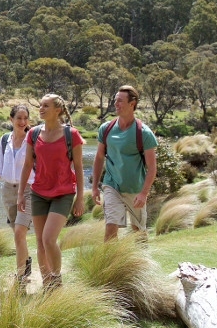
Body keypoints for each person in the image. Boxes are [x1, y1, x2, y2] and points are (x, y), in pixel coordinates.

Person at [18, 93, 84, 290]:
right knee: (40, 242)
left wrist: (80, 197)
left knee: (49, 239)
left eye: (46, 106)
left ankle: (56, 278)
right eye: (40, 105)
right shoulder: (33, 134)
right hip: (38, 192)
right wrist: (21, 193)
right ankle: (48, 285)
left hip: (63, 193)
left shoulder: (71, 135)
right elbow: (27, 164)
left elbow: (79, 168)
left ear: (58, 110)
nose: (41, 109)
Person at [91, 85, 157, 241]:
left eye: (120, 101)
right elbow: (99, 157)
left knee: (138, 233)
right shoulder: (106, 129)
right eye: (115, 100)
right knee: (110, 228)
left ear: (132, 103)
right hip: (112, 185)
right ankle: (111, 265)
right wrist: (94, 187)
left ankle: (141, 264)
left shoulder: (144, 133)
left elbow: (152, 166)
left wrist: (143, 193)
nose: (116, 104)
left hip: (135, 189)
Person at [0, 104, 39, 285]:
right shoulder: (4, 140)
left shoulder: (33, 139)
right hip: (8, 190)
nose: (23, 122)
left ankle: (21, 279)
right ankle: (26, 261)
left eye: (26, 118)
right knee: (17, 233)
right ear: (11, 119)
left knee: (18, 234)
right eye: (19, 118)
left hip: (28, 190)